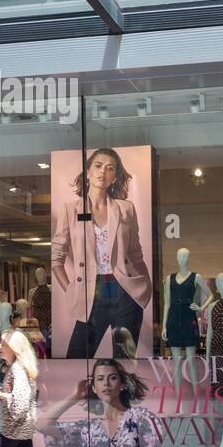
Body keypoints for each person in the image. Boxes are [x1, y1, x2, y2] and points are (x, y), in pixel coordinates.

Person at [52, 147, 153, 359]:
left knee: (124, 364)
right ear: (88, 170)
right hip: (92, 292)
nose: (102, 172)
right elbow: (57, 258)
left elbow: (136, 253)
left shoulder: (126, 208)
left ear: (114, 177)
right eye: (98, 166)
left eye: (110, 168)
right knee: (77, 360)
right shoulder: (71, 209)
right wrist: (71, 289)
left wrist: (146, 286)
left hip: (125, 292)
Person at [39, 359, 163, 447]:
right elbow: (41, 425)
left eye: (113, 378)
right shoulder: (89, 428)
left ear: (122, 385)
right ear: (94, 388)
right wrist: (74, 397)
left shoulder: (140, 418)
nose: (106, 383)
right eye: (100, 379)